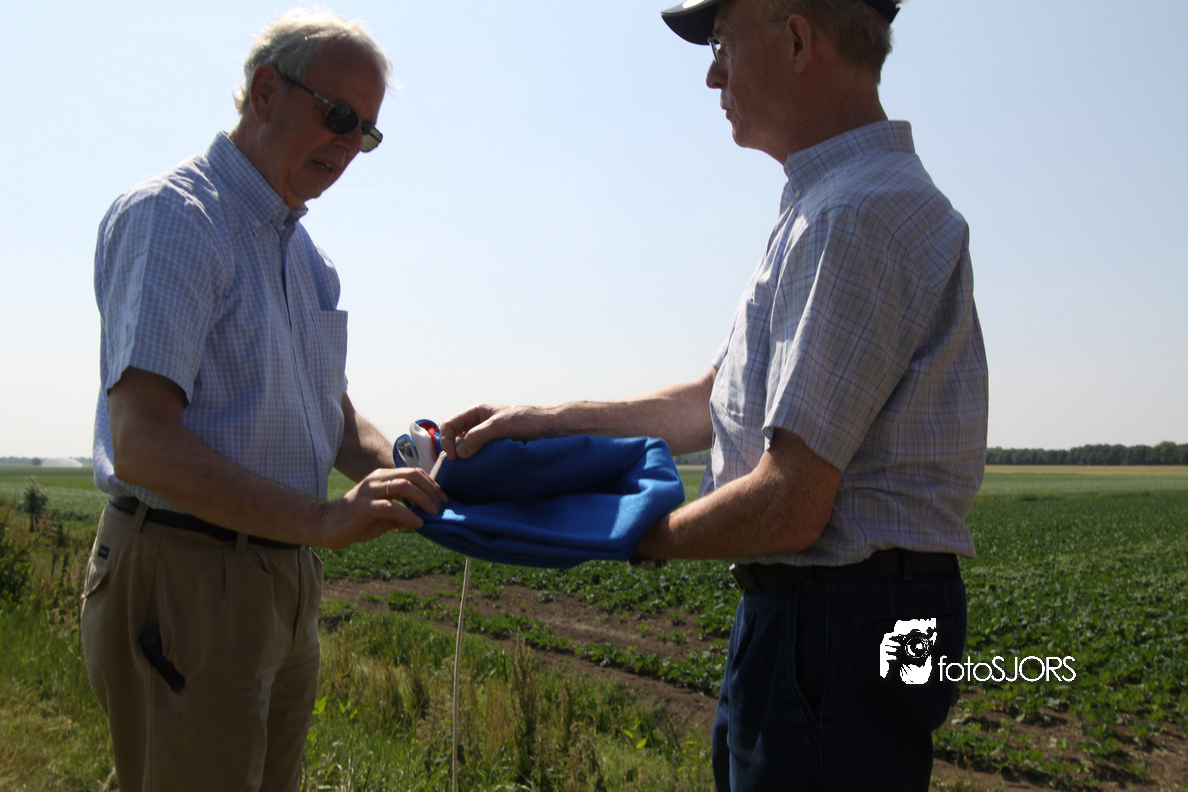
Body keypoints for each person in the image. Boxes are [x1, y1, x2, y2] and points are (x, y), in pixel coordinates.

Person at [439, 0, 987, 789]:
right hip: (825, 615)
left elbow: (791, 502)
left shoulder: (855, 214)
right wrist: (541, 422)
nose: (711, 74)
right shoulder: (830, 203)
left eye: (724, 42)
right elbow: (714, 400)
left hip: (834, 626)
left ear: (796, 39)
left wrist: (628, 534)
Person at [81, 9, 446, 792]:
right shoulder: (177, 218)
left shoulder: (309, 259)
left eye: (366, 132)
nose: (348, 144)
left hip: (283, 574)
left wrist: (421, 473)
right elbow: (142, 441)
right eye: (339, 115)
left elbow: (331, 417)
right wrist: (319, 519)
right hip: (186, 570)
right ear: (265, 92)